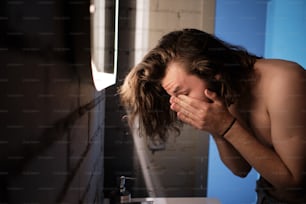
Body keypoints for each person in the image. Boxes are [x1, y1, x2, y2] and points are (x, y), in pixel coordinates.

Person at [118, 28, 306, 203]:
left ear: (211, 71)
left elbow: (294, 181)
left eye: (181, 92)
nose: (177, 105)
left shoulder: (285, 81)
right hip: (267, 195)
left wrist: (227, 127)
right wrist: (217, 130)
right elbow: (240, 169)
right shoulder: (227, 90)